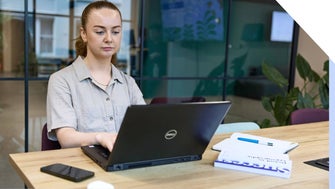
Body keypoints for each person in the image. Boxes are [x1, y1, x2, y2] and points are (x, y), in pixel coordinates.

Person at [46, 1, 145, 152]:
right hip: (82, 165)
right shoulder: (61, 80)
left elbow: (145, 126)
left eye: (116, 31)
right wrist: (100, 137)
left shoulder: (128, 83)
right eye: (100, 32)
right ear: (84, 34)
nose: (109, 39)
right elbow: (65, 138)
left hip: (124, 163)